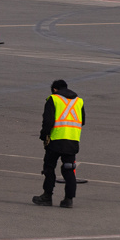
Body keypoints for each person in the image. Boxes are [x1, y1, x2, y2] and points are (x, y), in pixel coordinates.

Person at [33, 79, 84, 208]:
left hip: (56, 140)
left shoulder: (53, 99)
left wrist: (44, 136)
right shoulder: (79, 101)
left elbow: (48, 122)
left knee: (49, 168)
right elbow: (82, 121)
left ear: (55, 89)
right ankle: (68, 199)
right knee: (69, 169)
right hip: (72, 141)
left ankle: (47, 196)